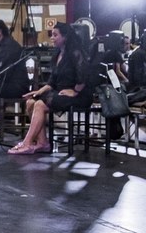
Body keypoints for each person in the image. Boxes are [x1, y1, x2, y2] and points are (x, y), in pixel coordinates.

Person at [8, 21, 93, 154]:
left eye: (55, 35)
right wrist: (38, 91)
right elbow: (51, 82)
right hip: (61, 93)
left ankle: (27, 143)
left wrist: (75, 91)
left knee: (40, 105)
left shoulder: (76, 53)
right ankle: (43, 143)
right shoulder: (58, 54)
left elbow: (84, 75)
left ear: (65, 37)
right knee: (31, 102)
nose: (51, 38)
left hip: (80, 95)